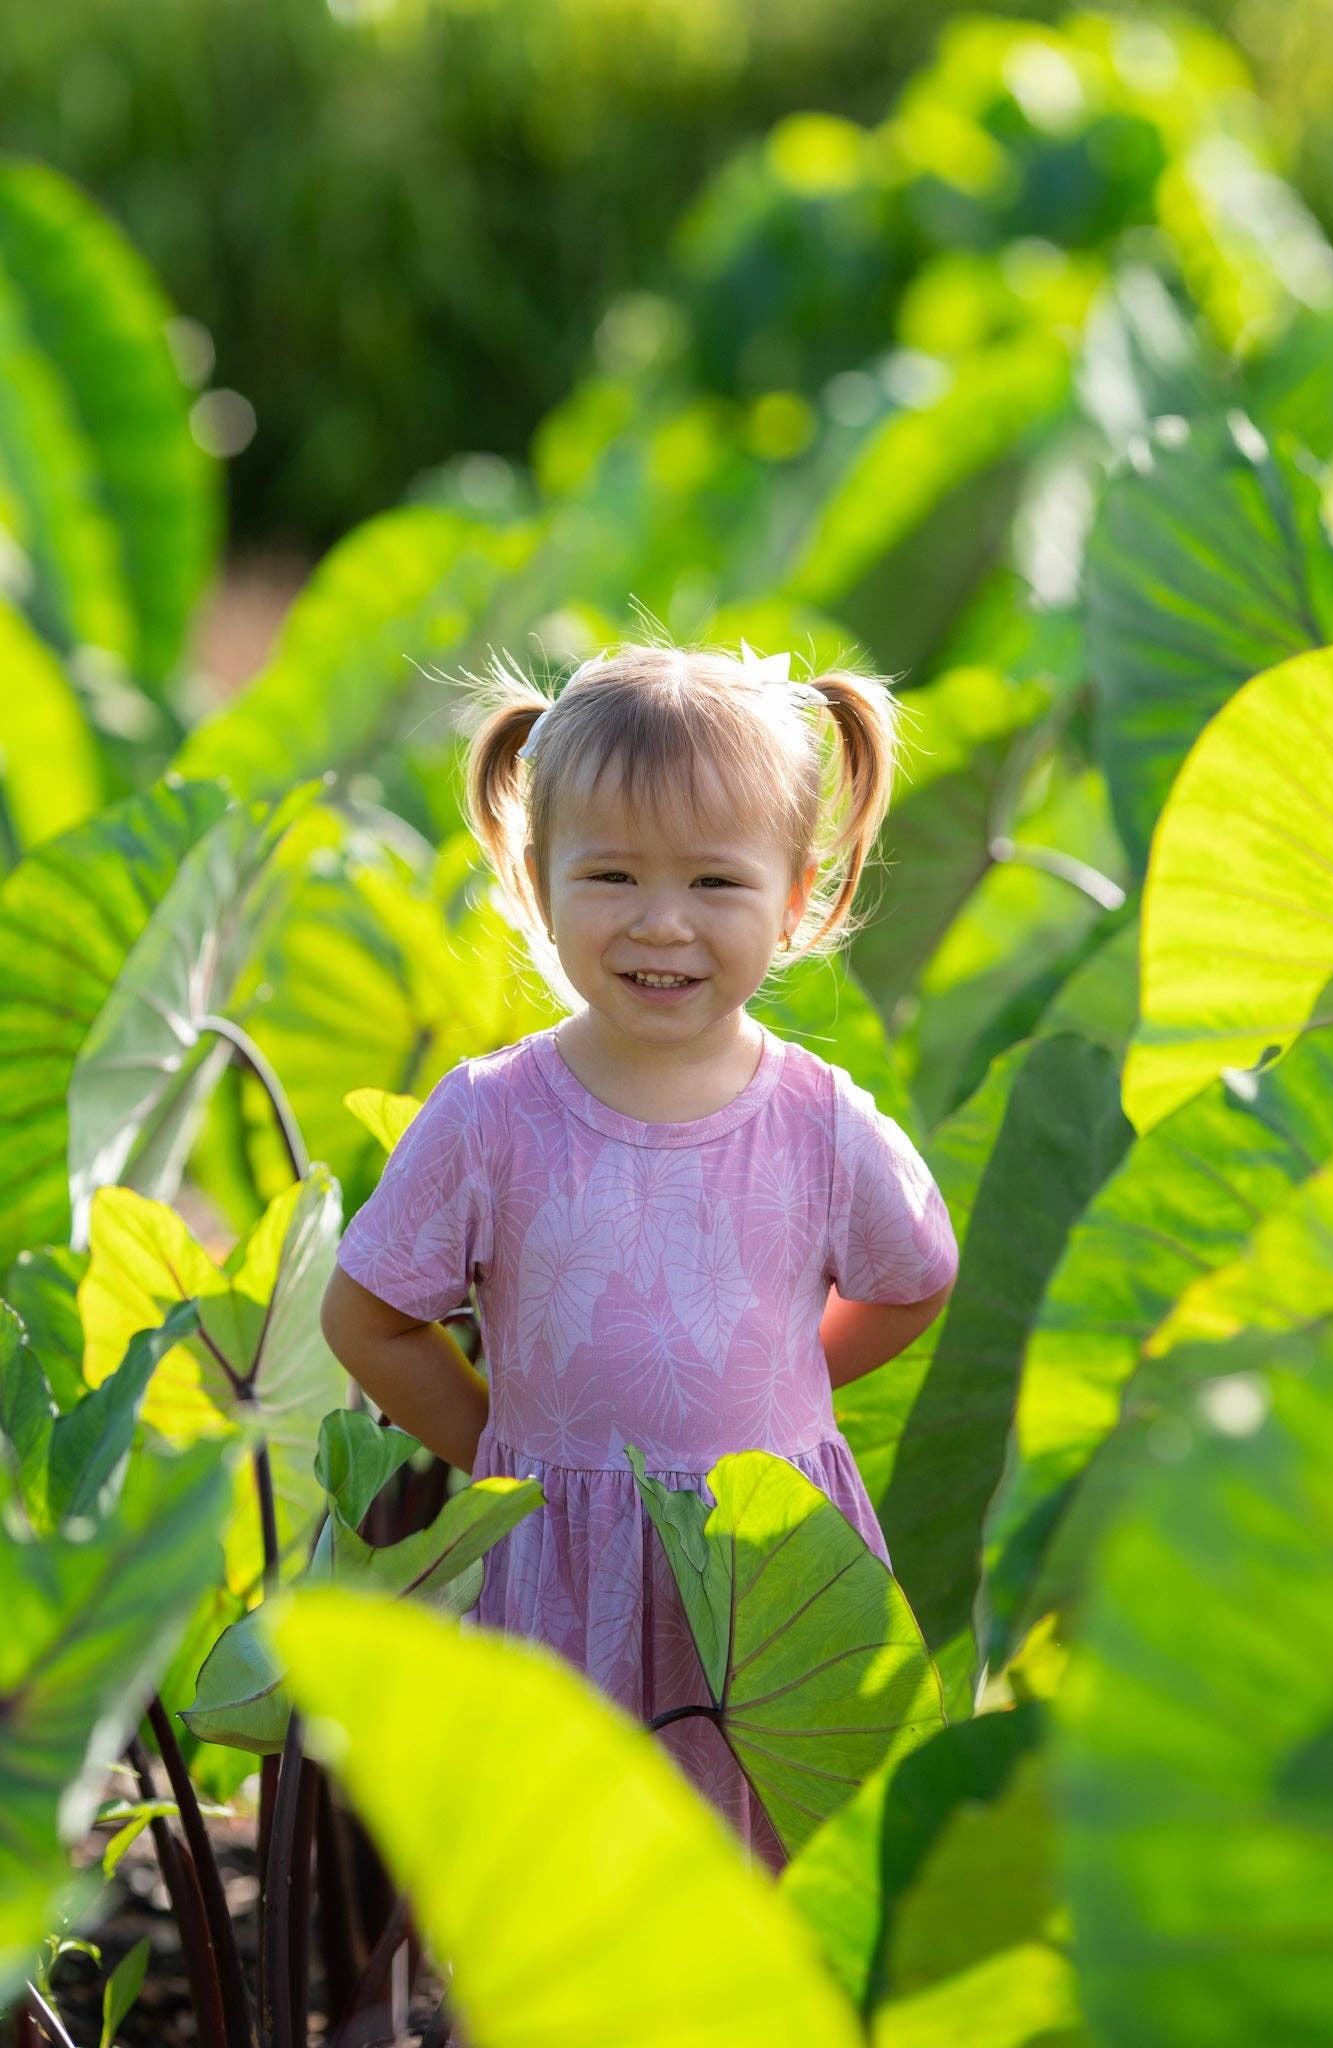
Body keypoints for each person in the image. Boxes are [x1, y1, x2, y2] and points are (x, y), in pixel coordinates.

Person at [319, 635, 959, 1875]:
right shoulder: (490, 1115)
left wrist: (790, 1398)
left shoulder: (819, 1119)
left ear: (794, 896)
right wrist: (510, 1455)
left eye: (716, 883)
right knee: (572, 1888)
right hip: (561, 1573)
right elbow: (368, 1319)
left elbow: (913, 1276)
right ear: (533, 875)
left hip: (761, 1571)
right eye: (610, 873)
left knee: (763, 1881)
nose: (660, 921)